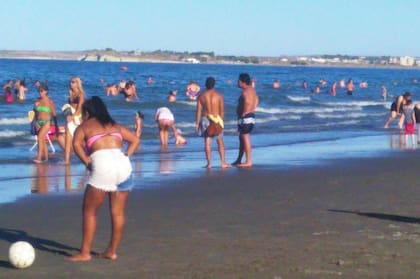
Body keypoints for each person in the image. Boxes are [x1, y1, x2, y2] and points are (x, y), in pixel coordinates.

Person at [69, 96, 139, 261]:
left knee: (90, 211)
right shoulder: (115, 125)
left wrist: (86, 162)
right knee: (118, 212)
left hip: (103, 166)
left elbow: (76, 144)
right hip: (124, 166)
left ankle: (85, 253)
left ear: (87, 112)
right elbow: (135, 140)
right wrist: (127, 155)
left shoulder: (84, 126)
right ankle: (111, 251)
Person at [195, 77, 230, 169]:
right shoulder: (218, 96)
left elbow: (198, 111)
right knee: (220, 142)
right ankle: (223, 162)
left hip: (205, 119)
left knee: (207, 142)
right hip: (216, 119)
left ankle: (209, 163)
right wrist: (221, 122)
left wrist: (197, 123)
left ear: (206, 84)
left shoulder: (201, 96)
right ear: (214, 85)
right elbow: (222, 111)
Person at [232, 73, 259, 167]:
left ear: (243, 82)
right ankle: (239, 159)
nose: (237, 82)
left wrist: (245, 112)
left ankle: (248, 161)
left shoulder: (246, 92)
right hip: (249, 116)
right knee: (242, 138)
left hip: (246, 117)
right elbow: (256, 99)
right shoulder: (251, 89)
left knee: (245, 138)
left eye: (238, 80)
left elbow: (247, 101)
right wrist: (253, 109)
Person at [58, 77, 86, 164]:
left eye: (73, 82)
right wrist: (68, 116)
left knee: (81, 142)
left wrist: (72, 117)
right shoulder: (71, 94)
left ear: (77, 84)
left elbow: (80, 108)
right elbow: (69, 108)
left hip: (78, 118)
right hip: (70, 118)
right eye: (70, 82)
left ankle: (86, 158)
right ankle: (66, 161)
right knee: (67, 139)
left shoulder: (81, 94)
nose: (71, 84)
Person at [32, 83, 58, 163]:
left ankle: (39, 158)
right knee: (42, 141)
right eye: (39, 91)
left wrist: (56, 126)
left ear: (46, 91)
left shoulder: (50, 101)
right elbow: (35, 113)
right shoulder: (37, 100)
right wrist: (35, 107)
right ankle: (46, 158)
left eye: (42, 91)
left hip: (46, 122)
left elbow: (54, 114)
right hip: (38, 122)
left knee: (40, 138)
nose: (40, 92)